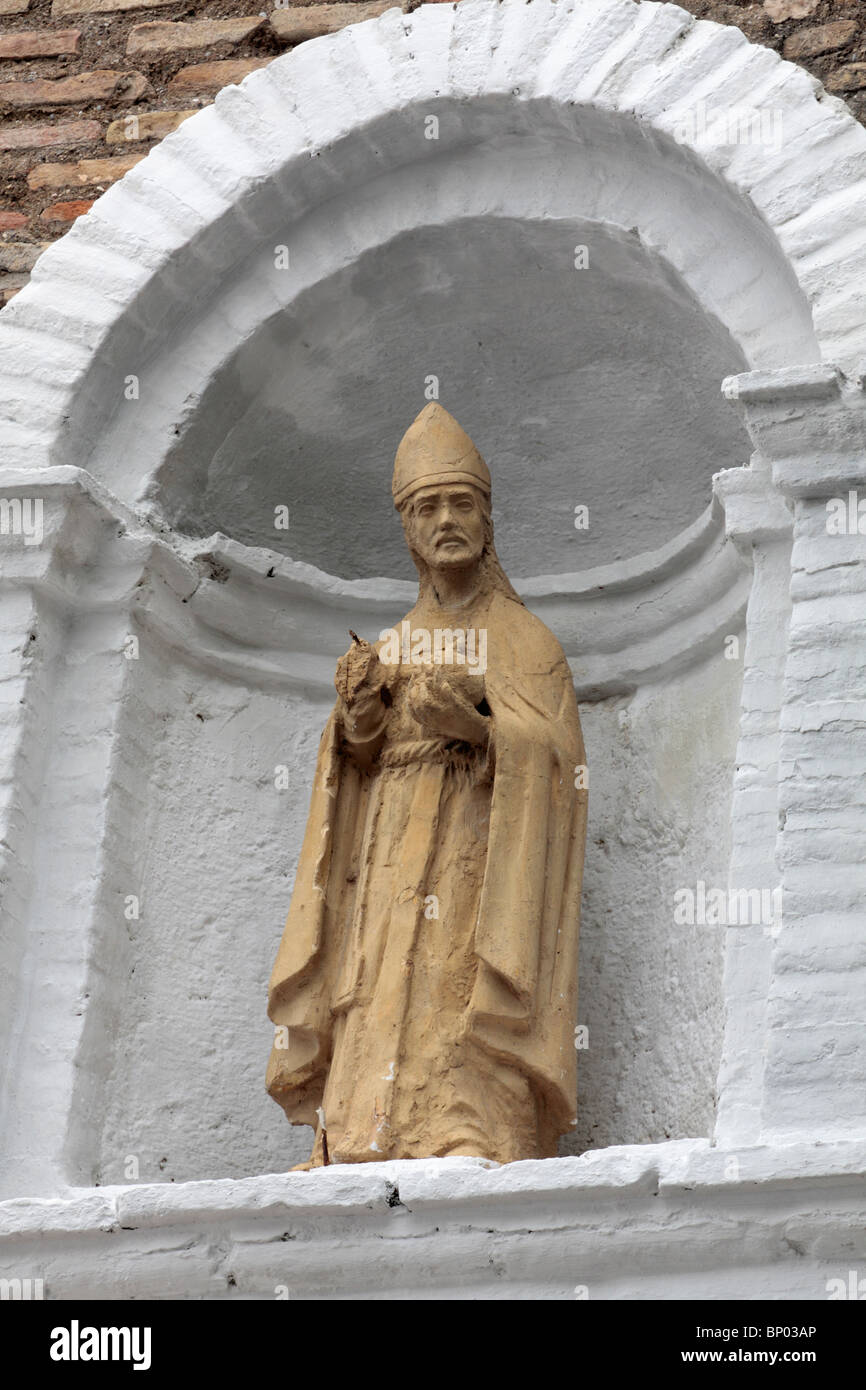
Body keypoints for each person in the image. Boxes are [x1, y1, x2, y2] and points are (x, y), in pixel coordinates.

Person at [266, 402, 587, 1166]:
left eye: (462, 504)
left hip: (475, 857)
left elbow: (558, 768)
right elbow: (355, 770)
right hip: (383, 867)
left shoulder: (526, 640)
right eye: (428, 507)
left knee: (451, 977)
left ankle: (471, 1126)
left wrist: (480, 729)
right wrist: (357, 721)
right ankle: (356, 1129)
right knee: (378, 978)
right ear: (408, 529)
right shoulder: (392, 644)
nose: (447, 519)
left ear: (486, 519)